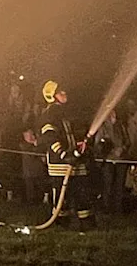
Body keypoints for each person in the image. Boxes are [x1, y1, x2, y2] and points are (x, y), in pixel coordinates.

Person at [38, 80, 95, 229]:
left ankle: (86, 223)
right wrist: (63, 154)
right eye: (60, 92)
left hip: (76, 160)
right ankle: (61, 224)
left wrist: (81, 144)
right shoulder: (49, 114)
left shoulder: (66, 112)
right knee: (62, 196)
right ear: (52, 96)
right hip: (60, 163)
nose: (65, 94)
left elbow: (72, 133)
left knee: (82, 192)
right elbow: (49, 137)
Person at [94, 107, 130, 214]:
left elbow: (127, 141)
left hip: (121, 160)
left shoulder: (121, 125)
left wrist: (122, 149)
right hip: (108, 160)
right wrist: (110, 150)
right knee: (108, 184)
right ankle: (106, 208)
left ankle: (118, 208)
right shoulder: (103, 127)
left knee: (120, 185)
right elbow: (97, 144)